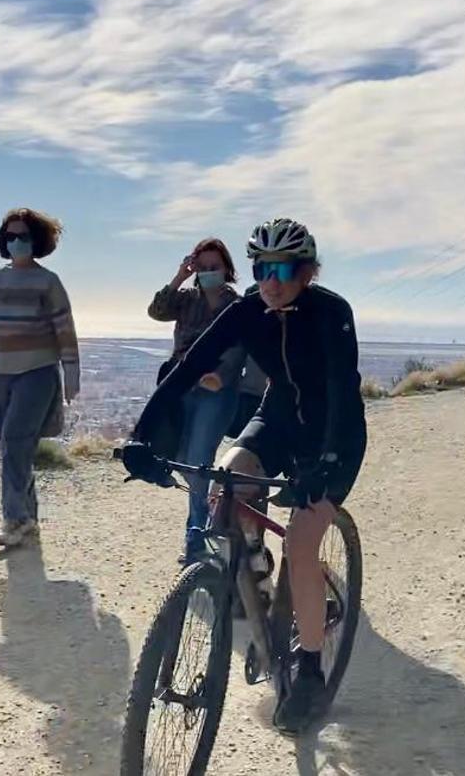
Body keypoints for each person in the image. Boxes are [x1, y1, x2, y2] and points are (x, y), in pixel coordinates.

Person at [128, 217, 367, 735]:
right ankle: (254, 572)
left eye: (282, 268)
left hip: (334, 434)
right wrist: (141, 435)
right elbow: (188, 367)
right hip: (278, 418)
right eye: (261, 268)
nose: (271, 280)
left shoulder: (331, 312)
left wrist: (324, 465)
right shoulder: (247, 310)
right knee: (228, 482)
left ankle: (308, 668)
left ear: (306, 270)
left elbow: (342, 393)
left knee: (303, 544)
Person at [0, 208, 79, 547]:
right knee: (14, 449)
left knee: (15, 443)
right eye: (11, 237)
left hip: (36, 374)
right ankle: (29, 520)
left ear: (37, 241)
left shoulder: (47, 282)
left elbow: (64, 329)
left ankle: (15, 520)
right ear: (2, 242)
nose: (17, 242)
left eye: (23, 236)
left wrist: (71, 374)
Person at [147, 237, 245, 564]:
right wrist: (180, 276)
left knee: (199, 457)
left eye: (212, 267)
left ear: (227, 269)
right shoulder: (186, 300)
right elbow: (156, 310)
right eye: (201, 267)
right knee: (179, 457)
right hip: (180, 385)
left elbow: (239, 348)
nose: (206, 273)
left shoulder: (236, 305)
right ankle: (219, 498)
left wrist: (220, 375)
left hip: (216, 392)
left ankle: (195, 535)